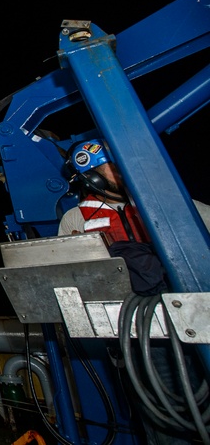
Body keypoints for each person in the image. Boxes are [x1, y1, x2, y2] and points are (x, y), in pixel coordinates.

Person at [58, 138, 210, 445]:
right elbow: (68, 281)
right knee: (169, 425)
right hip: (141, 338)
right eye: (111, 166)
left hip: (196, 324)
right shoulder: (76, 219)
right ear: (94, 176)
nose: (122, 169)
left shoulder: (170, 203)